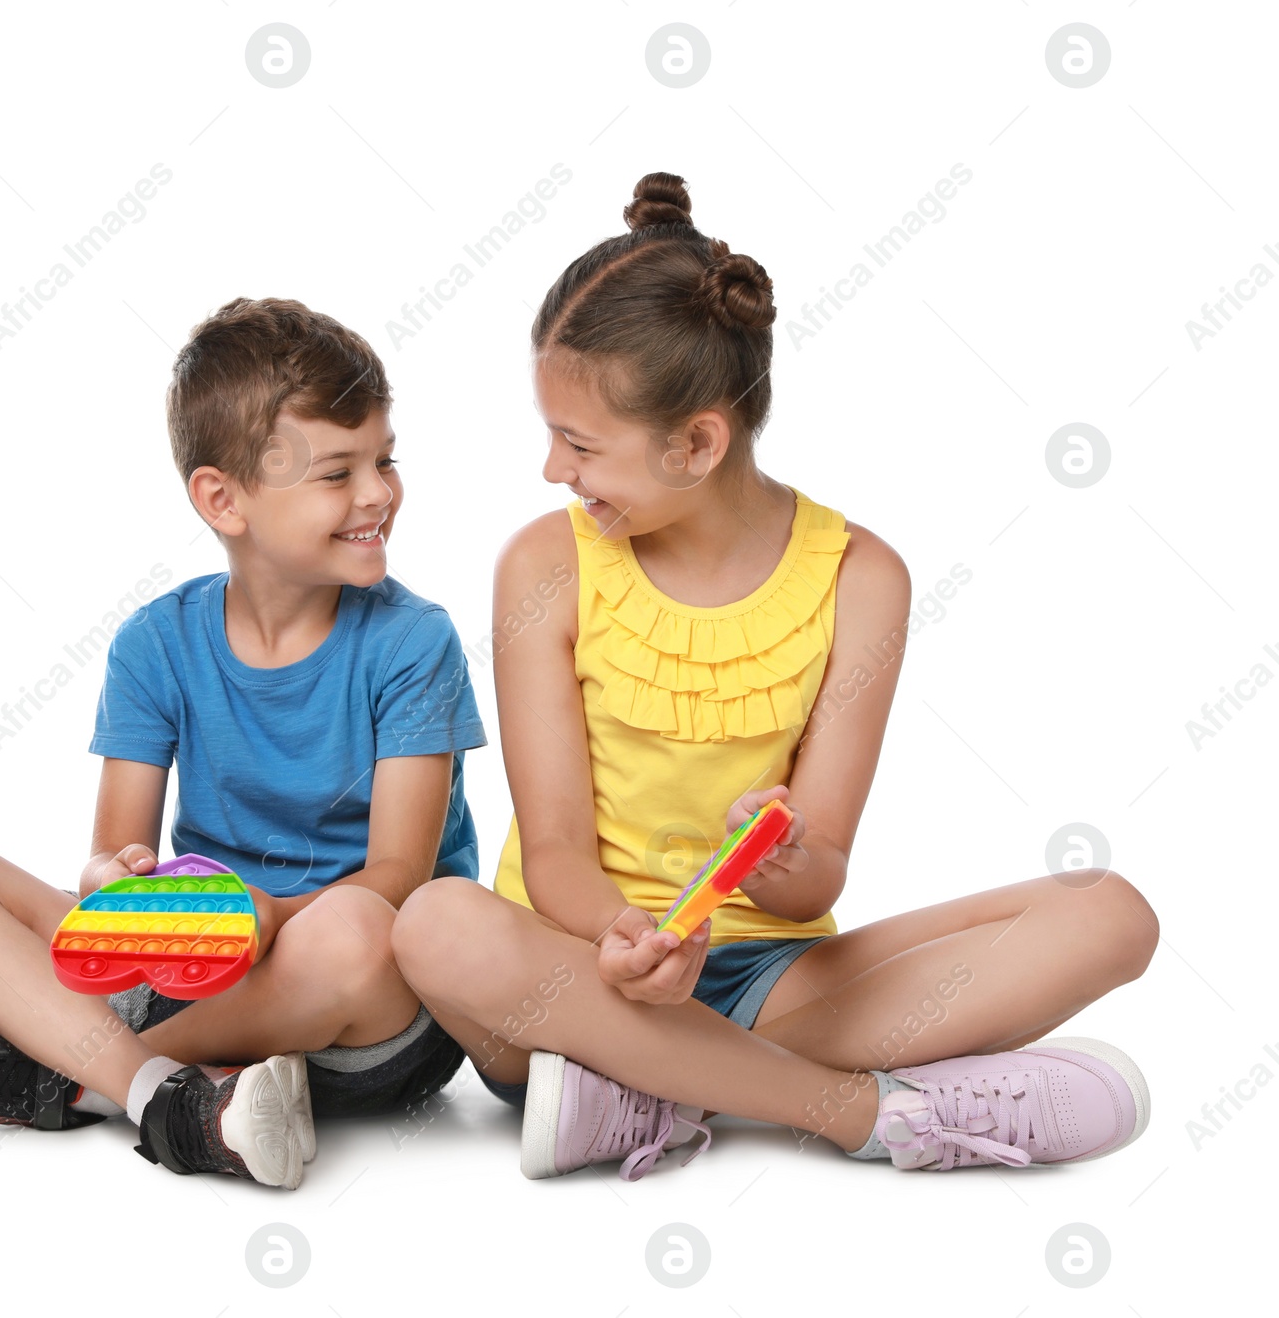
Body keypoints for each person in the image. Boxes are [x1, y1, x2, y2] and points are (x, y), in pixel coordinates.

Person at [391, 173, 1159, 1179]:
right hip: (568, 977)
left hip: (770, 979)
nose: (552, 470)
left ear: (697, 440)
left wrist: (785, 859)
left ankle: (650, 1092)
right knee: (437, 921)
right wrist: (627, 938)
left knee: (1109, 911)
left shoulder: (859, 577)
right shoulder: (546, 565)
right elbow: (558, 850)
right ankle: (860, 1114)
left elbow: (817, 882)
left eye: (579, 444)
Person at [0, 298, 488, 1189]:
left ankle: (54, 1072)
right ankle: (161, 1096)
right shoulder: (155, 642)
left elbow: (399, 878)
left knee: (355, 929)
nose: (377, 494)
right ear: (222, 498)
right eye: (337, 472)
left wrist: (269, 915)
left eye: (385, 460)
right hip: (190, 964)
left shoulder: (412, 642)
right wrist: (112, 881)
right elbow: (110, 859)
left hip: (361, 1006)